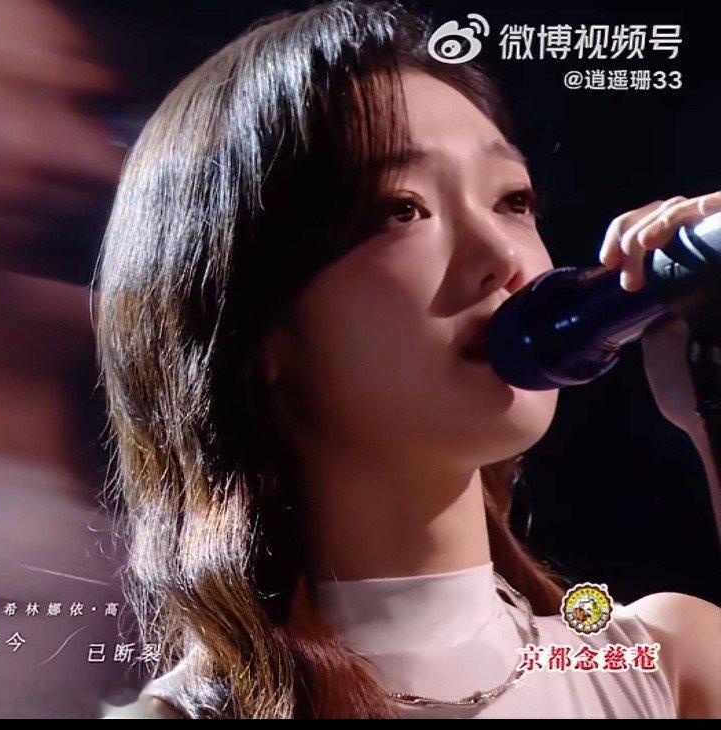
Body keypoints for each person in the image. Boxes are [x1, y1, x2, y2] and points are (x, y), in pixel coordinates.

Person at [95, 1, 721, 719]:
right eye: (402, 209)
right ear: (251, 328)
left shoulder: (673, 665)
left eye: (513, 200)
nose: (503, 258)